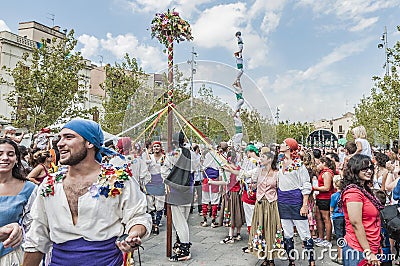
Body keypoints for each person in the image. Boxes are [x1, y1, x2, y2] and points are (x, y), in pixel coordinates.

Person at [22, 119, 151, 266]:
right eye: (60, 137)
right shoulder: (50, 184)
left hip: (107, 261)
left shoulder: (118, 180)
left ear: (89, 143)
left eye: (69, 137)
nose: (59, 143)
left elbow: (138, 216)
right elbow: (37, 236)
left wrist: (133, 234)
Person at [225, 148, 281, 266]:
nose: (260, 159)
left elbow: (280, 188)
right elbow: (243, 174)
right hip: (260, 204)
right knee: (261, 230)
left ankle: (271, 258)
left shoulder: (277, 173)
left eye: (263, 158)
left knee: (271, 229)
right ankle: (264, 256)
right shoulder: (258, 171)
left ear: (270, 160)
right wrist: (229, 169)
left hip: (271, 205)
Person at [339, 154, 383, 266]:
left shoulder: (364, 188)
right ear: (355, 170)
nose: (369, 171)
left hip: (369, 247)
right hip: (358, 250)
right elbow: (356, 224)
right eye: (364, 169)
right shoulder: (353, 192)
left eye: (371, 168)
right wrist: (368, 252)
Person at [277, 138, 314, 266]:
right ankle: (291, 260)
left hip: (296, 201)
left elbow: (306, 185)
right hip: (282, 201)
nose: (280, 145)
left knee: (304, 232)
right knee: (287, 233)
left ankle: (311, 261)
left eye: (283, 143)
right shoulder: (279, 163)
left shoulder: (299, 164)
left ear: (288, 147)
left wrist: (304, 205)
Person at [0, 138, 36, 265]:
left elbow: (34, 226)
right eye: (0, 154)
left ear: (16, 159)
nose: (5, 158)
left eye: (10, 154)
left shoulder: (29, 188)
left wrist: (20, 230)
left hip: (10, 256)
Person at [161, 132, 196, 262]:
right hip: (188, 189)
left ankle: (184, 250)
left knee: (179, 221)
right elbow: (194, 169)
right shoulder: (190, 153)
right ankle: (180, 243)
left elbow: (164, 171)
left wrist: (168, 182)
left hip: (176, 190)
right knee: (184, 219)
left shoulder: (171, 154)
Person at [145, 141, 166, 235]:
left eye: (158, 146)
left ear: (160, 147)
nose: (156, 148)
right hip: (150, 182)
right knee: (150, 204)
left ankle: (157, 224)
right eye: (154, 146)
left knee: (159, 204)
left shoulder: (164, 158)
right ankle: (153, 223)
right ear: (152, 148)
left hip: (160, 183)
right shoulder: (149, 157)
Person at [313, 156, 335, 248]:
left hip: (325, 198)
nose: (318, 166)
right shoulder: (322, 173)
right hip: (320, 197)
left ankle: (328, 239)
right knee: (319, 218)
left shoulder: (327, 173)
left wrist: (314, 188)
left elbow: (326, 187)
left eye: (319, 164)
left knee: (326, 218)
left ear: (324, 163)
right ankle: (320, 237)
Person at [330, 175, 345, 265]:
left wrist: (331, 213)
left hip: (337, 216)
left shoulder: (334, 196)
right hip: (345, 216)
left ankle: (340, 257)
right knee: (345, 236)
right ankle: (346, 255)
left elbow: (332, 207)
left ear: (335, 185)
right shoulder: (345, 194)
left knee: (339, 237)